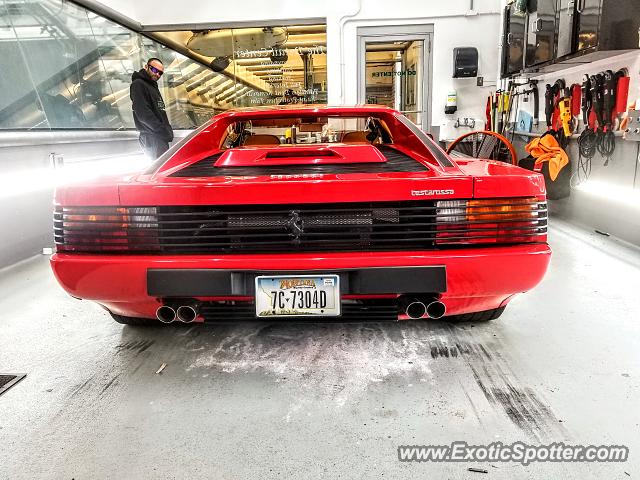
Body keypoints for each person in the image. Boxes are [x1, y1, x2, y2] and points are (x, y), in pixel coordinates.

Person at [130, 58, 173, 159]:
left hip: (158, 137)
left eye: (160, 73)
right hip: (151, 137)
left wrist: (166, 130)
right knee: (159, 171)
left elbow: (160, 111)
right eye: (154, 70)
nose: (157, 74)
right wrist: (162, 130)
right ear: (146, 67)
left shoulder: (153, 86)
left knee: (163, 169)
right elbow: (143, 114)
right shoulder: (138, 84)